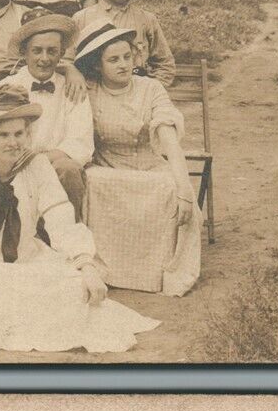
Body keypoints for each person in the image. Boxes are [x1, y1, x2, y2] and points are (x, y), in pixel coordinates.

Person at [0, 83, 158, 355]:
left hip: (28, 259)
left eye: (19, 133)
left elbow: (60, 217)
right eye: (3, 135)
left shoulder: (37, 166)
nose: (13, 142)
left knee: (74, 288)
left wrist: (86, 264)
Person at [74, 18, 200, 296]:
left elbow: (168, 139)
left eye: (127, 57)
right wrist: (71, 73)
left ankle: (154, 272)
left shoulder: (150, 89)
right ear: (97, 64)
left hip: (148, 164)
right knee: (93, 182)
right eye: (113, 59)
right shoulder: (88, 89)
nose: (123, 65)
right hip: (108, 167)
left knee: (170, 188)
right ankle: (109, 270)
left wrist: (185, 189)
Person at [1, 11, 93, 214]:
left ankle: (67, 234)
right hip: (14, 165)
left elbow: (80, 141)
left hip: (55, 166)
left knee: (69, 169)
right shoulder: (7, 88)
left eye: (52, 51)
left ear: (61, 54)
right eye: (37, 51)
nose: (44, 58)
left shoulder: (73, 88)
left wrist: (41, 162)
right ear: (24, 53)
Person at [74, 0, 176, 87]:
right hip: (94, 97)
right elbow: (68, 63)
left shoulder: (146, 20)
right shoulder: (82, 19)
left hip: (136, 99)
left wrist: (149, 92)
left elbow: (165, 65)